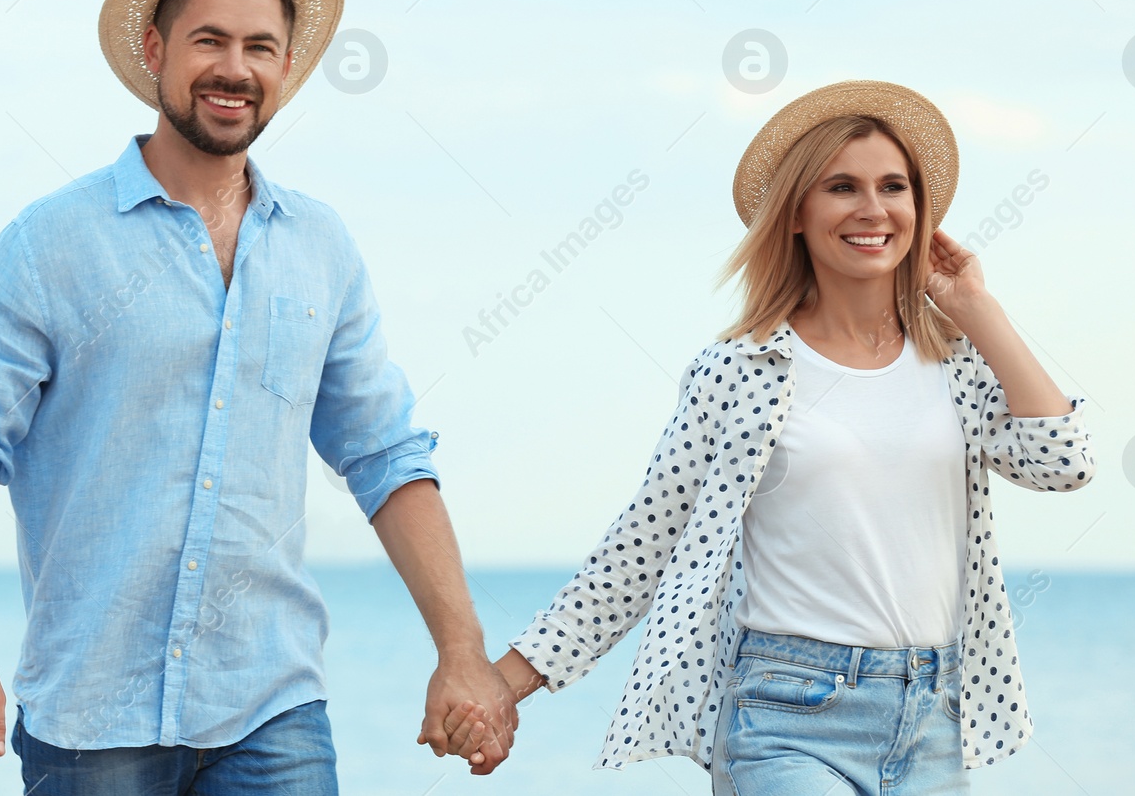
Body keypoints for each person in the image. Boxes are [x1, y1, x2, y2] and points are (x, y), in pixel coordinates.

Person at [0, 0, 512, 794]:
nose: (236, 68)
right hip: (92, 720)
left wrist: (462, 650)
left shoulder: (321, 248)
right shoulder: (51, 243)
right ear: (155, 51)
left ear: (286, 68)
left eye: (260, 47)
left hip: (273, 710)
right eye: (209, 41)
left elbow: (385, 454)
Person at [469, 81, 1096, 793]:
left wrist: (976, 309)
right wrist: (504, 681)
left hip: (934, 714)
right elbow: (642, 544)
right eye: (841, 186)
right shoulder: (741, 368)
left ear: (919, 212)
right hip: (787, 715)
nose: (872, 208)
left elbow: (1065, 463)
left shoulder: (957, 365)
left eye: (894, 186)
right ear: (797, 213)